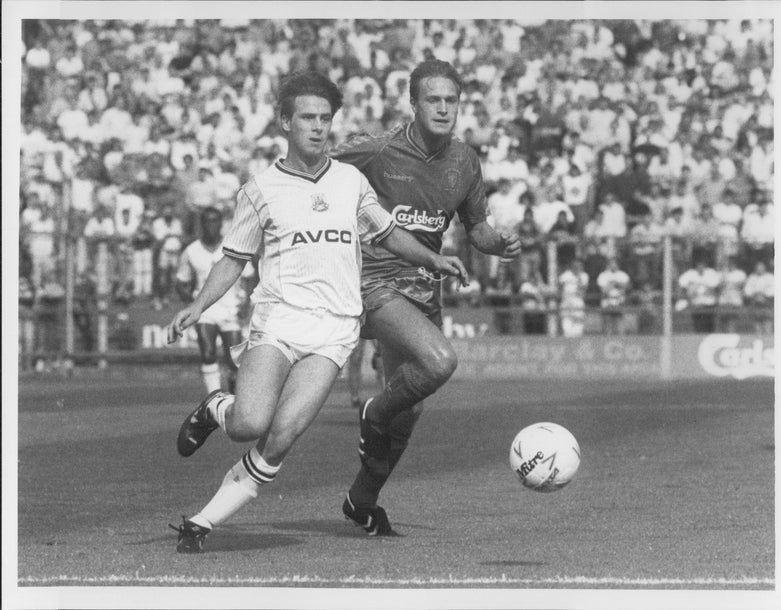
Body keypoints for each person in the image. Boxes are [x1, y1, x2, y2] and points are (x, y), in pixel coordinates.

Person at [166, 71, 468, 553]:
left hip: (333, 331)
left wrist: (433, 259)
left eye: (325, 118)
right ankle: (214, 407)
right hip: (280, 319)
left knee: (282, 436)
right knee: (248, 424)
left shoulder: (350, 181)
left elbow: (387, 233)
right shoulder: (260, 188)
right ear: (285, 122)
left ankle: (200, 522)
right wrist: (199, 305)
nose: (318, 127)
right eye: (307, 117)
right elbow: (233, 258)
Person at [330, 59, 520, 534]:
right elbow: (318, 175)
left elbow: (475, 227)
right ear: (412, 104)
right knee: (439, 362)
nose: (442, 108)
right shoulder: (375, 152)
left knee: (408, 411)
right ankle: (370, 411)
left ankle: (361, 500)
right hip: (373, 281)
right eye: (432, 99)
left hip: (423, 290)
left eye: (450, 100)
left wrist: (497, 243)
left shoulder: (464, 161)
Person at [175, 206, 245, 395]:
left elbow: (248, 277)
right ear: (201, 224)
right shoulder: (191, 251)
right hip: (206, 311)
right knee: (208, 353)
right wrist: (192, 302)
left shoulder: (232, 247)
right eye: (207, 221)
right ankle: (214, 399)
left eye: (215, 221)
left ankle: (234, 398)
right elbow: (181, 281)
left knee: (234, 361)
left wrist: (245, 304)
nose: (211, 225)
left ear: (221, 224)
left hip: (230, 309)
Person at [346, 338, 384, 410]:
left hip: (375, 327)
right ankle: (355, 397)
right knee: (355, 358)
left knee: (381, 354)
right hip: (359, 328)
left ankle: (386, 394)